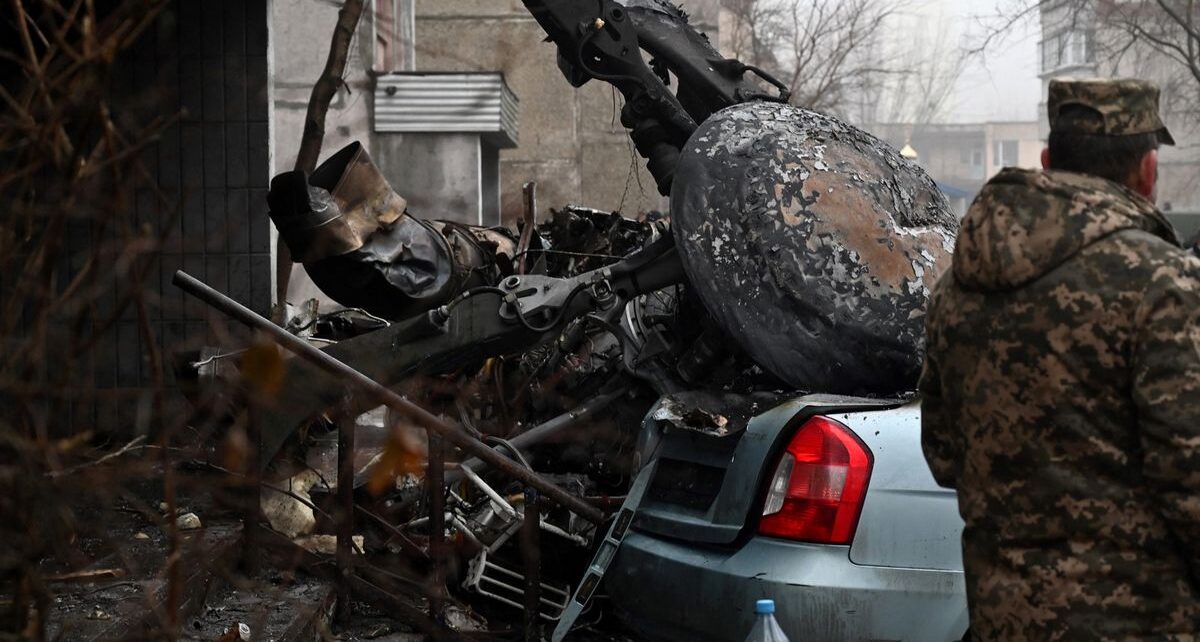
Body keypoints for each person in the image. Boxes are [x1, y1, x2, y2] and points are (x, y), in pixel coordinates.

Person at [920, 78, 1200, 639]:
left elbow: (944, 455)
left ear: (1048, 162)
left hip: (1003, 617)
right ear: (1148, 170)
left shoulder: (957, 288)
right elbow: (1189, 476)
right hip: (1139, 621)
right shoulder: (1163, 282)